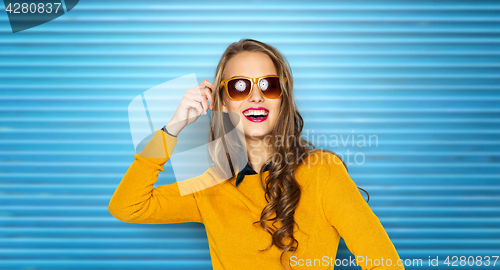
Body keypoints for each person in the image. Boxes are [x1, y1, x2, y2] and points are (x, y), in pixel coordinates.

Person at [108, 38, 405, 270]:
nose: (255, 96)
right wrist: (173, 128)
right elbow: (127, 206)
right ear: (222, 103)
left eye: (268, 85)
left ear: (282, 97)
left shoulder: (322, 171)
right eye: (239, 86)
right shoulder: (209, 187)